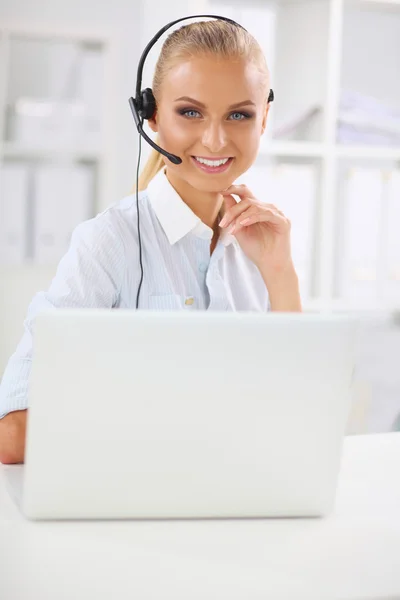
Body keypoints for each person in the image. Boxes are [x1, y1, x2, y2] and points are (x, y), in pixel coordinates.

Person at [0, 18, 301, 465]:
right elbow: (13, 436)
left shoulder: (261, 246)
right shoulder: (110, 242)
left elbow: (298, 416)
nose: (216, 139)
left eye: (239, 114)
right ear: (152, 115)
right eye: (190, 112)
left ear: (264, 119)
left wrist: (280, 273)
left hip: (240, 504)